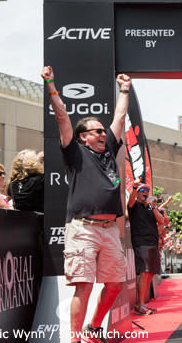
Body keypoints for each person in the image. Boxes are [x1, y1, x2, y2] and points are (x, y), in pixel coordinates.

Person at [42, 65, 131, 343]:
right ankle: (75, 339)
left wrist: (124, 89)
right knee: (84, 286)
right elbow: (62, 117)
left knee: (115, 284)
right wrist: (51, 84)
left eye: (104, 131)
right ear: (83, 137)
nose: (103, 134)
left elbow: (120, 117)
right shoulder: (75, 151)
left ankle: (93, 327)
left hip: (109, 230)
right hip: (83, 229)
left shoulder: (110, 150)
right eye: (97, 131)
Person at [127, 182, 166, 315]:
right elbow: (130, 201)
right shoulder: (134, 205)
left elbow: (161, 221)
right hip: (141, 242)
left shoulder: (151, 207)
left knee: (150, 273)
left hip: (153, 243)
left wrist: (153, 206)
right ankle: (140, 304)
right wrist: (134, 188)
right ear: (137, 194)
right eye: (142, 191)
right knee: (144, 272)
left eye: (146, 191)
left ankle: (142, 304)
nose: (145, 193)